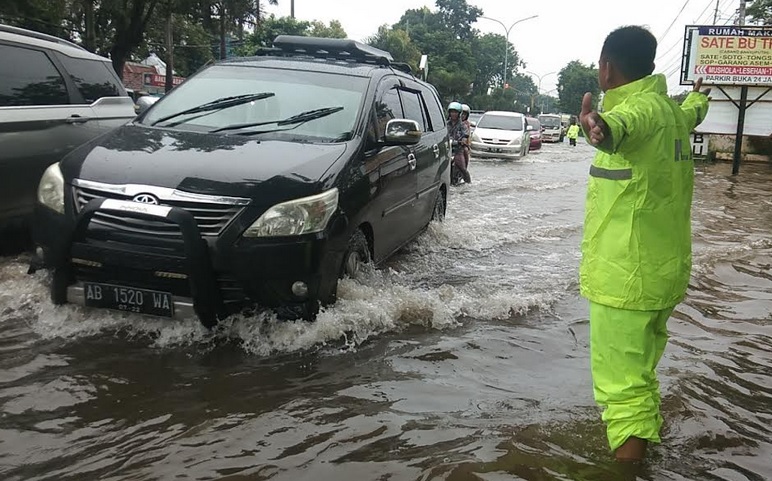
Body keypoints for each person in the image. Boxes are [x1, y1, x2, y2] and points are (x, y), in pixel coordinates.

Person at [578, 25, 710, 462]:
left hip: (625, 281)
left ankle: (627, 471)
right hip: (660, 277)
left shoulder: (641, 111)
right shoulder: (673, 113)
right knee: (641, 378)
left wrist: (601, 127)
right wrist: (700, 94)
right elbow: (693, 110)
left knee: (623, 392)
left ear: (607, 67)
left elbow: (619, 126)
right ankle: (646, 453)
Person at [447, 101, 471, 185]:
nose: (453, 114)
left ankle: (468, 182)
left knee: (462, 167)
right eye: (452, 112)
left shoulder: (462, 125)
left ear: (459, 114)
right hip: (447, 149)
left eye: (455, 112)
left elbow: (466, 134)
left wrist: (463, 140)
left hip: (458, 150)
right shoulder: (446, 124)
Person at [461, 104, 472, 170]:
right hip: (452, 142)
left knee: (465, 150)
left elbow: (466, 134)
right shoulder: (450, 122)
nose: (462, 116)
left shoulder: (466, 124)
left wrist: (464, 141)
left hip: (463, 144)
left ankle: (464, 169)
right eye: (461, 114)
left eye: (464, 114)